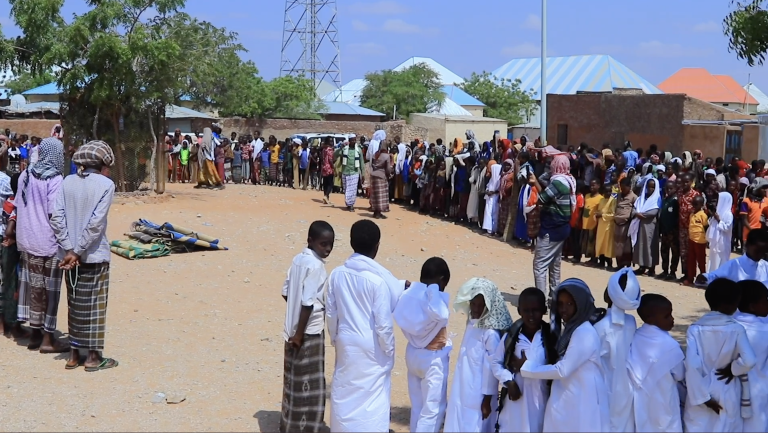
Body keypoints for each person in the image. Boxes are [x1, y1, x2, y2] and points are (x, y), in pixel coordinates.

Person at [47, 140, 117, 371]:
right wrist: (77, 251)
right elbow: (96, 224)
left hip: (69, 257)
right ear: (102, 163)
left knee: (75, 303)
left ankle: (74, 355)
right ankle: (93, 357)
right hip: (94, 254)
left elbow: (56, 217)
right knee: (95, 305)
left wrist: (69, 250)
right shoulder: (106, 184)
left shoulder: (67, 182)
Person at [326, 220, 395, 432]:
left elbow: (331, 312)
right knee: (372, 398)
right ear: (377, 246)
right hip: (372, 346)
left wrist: (335, 337)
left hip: (346, 340)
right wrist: (389, 349)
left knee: (344, 390)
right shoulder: (377, 282)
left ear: (351, 242)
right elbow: (384, 326)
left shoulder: (337, 274)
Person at [516, 278, 609, 432]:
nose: (563, 309)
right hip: (571, 398)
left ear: (581, 304)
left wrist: (526, 367)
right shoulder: (571, 329)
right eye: (560, 304)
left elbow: (562, 370)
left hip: (583, 401)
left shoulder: (584, 333)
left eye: (570, 304)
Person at [278, 220, 334, 433]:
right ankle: (308, 428)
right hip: (308, 333)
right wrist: (300, 333)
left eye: (330, 244)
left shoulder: (298, 260)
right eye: (323, 244)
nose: (327, 249)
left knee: (293, 380)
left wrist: (293, 316)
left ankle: (289, 425)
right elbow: (308, 303)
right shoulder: (316, 266)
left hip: (292, 330)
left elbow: (285, 291)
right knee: (310, 384)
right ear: (310, 241)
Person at [15, 137, 69, 354]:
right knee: (50, 290)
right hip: (48, 241)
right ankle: (48, 338)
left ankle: (35, 333)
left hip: (27, 240)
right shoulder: (55, 178)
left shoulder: (25, 174)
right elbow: (53, 213)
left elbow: (19, 205)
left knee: (34, 288)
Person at [683, 278, 756, 432]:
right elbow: (749, 361)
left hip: (700, 389)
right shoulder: (737, 329)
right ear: (733, 304)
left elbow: (691, 365)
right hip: (728, 387)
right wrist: (733, 369)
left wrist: (704, 398)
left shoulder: (695, 329)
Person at [444, 277, 512, 433]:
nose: (475, 309)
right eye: (473, 304)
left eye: (480, 305)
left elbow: (491, 368)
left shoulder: (490, 334)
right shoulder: (472, 323)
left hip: (478, 396)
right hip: (462, 388)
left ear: (488, 306)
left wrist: (487, 400)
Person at [393, 257, 451, 433]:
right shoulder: (433, 299)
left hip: (413, 353)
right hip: (432, 359)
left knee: (417, 406)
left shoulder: (409, 295)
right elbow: (443, 315)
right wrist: (434, 290)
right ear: (441, 280)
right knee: (432, 409)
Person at [490, 287, 556, 433]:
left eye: (536, 310)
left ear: (544, 310)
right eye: (526, 310)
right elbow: (496, 362)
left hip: (541, 401)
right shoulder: (512, 338)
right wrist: (509, 381)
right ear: (519, 310)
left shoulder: (550, 338)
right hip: (516, 402)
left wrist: (525, 366)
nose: (531, 315)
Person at [628, 294, 685, 432]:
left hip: (641, 402)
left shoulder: (635, 337)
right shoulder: (669, 345)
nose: (672, 319)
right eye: (667, 316)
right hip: (664, 400)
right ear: (650, 319)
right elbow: (680, 375)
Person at [593, 268, 640, 432]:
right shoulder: (631, 322)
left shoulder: (598, 326)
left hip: (604, 387)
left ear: (608, 294)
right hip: (627, 388)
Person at [530, 154, 575, 298]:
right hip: (562, 228)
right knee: (555, 265)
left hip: (552, 228)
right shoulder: (568, 180)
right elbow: (546, 189)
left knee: (540, 265)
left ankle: (540, 299)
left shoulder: (557, 183)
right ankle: (554, 297)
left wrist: (535, 182)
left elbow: (541, 199)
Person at [732, 280, 768, 432]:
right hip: (759, 392)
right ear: (753, 306)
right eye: (765, 300)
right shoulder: (764, 331)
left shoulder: (730, 327)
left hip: (731, 392)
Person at [630, 177, 660, 276]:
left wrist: (640, 214)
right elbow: (634, 209)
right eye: (649, 187)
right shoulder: (641, 198)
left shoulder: (657, 199)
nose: (650, 189)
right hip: (640, 225)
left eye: (653, 187)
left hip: (650, 226)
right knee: (640, 245)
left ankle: (651, 268)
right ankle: (641, 266)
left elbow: (653, 212)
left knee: (650, 246)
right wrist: (637, 214)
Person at [678, 173, 701, 282]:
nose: (685, 184)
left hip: (692, 228)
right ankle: (685, 273)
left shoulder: (695, 195)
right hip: (682, 228)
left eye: (687, 182)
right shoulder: (680, 193)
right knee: (683, 252)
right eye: (683, 182)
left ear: (691, 182)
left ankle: (691, 275)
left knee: (691, 252)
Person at [657, 181, 680, 281]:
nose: (669, 190)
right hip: (665, 231)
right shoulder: (665, 200)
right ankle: (665, 270)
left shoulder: (676, 201)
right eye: (667, 188)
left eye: (671, 188)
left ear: (675, 188)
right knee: (664, 251)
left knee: (675, 252)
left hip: (673, 231)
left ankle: (672, 272)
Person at [707, 191, 734, 273]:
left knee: (721, 262)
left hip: (723, 243)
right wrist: (712, 215)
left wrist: (719, 219)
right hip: (715, 242)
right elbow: (711, 224)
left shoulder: (728, 214)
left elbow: (727, 227)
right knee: (713, 261)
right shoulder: (718, 212)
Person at [335, 137, 364, 211]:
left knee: (353, 190)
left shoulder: (358, 150)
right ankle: (348, 204)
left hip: (355, 172)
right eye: (352, 140)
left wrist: (363, 174)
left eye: (355, 140)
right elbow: (335, 154)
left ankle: (351, 205)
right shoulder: (345, 149)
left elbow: (361, 162)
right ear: (349, 141)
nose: (354, 141)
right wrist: (340, 148)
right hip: (345, 172)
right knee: (346, 189)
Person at [613, 177, 637, 269]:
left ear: (629, 187)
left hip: (626, 224)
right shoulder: (618, 195)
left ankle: (626, 265)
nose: (622, 189)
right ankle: (619, 264)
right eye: (621, 187)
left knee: (626, 246)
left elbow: (635, 210)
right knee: (617, 245)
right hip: (617, 223)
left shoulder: (634, 197)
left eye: (624, 187)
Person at [686, 196, 708, 286]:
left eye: (696, 204)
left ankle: (703, 278)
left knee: (701, 261)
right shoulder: (691, 214)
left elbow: (706, 227)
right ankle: (690, 278)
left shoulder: (703, 215)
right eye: (693, 204)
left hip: (700, 241)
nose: (694, 206)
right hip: (692, 240)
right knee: (691, 260)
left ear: (702, 205)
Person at [595, 184, 616, 269]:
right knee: (600, 243)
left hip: (608, 226)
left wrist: (602, 215)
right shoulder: (601, 200)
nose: (608, 193)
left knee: (607, 244)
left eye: (609, 191)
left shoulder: (613, 201)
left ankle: (609, 262)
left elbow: (613, 214)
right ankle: (601, 261)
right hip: (601, 225)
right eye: (606, 191)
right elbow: (599, 211)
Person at [370, 144, 391, 219]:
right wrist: (389, 175)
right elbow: (388, 168)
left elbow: (371, 164)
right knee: (381, 195)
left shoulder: (375, 154)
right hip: (381, 176)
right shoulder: (386, 156)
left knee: (375, 194)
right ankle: (378, 213)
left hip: (373, 175)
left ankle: (375, 211)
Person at [482, 161, 501, 235]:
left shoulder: (499, 179)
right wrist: (487, 191)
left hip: (495, 198)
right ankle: (488, 229)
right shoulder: (492, 178)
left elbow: (499, 189)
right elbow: (488, 186)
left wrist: (492, 192)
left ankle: (493, 229)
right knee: (488, 213)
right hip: (489, 198)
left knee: (494, 213)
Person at [320, 139, 335, 204]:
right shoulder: (330, 150)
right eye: (331, 141)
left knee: (325, 183)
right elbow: (330, 160)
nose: (332, 142)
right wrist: (333, 167)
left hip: (324, 167)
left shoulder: (323, 149)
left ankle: (326, 198)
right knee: (330, 184)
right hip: (329, 168)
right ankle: (326, 196)